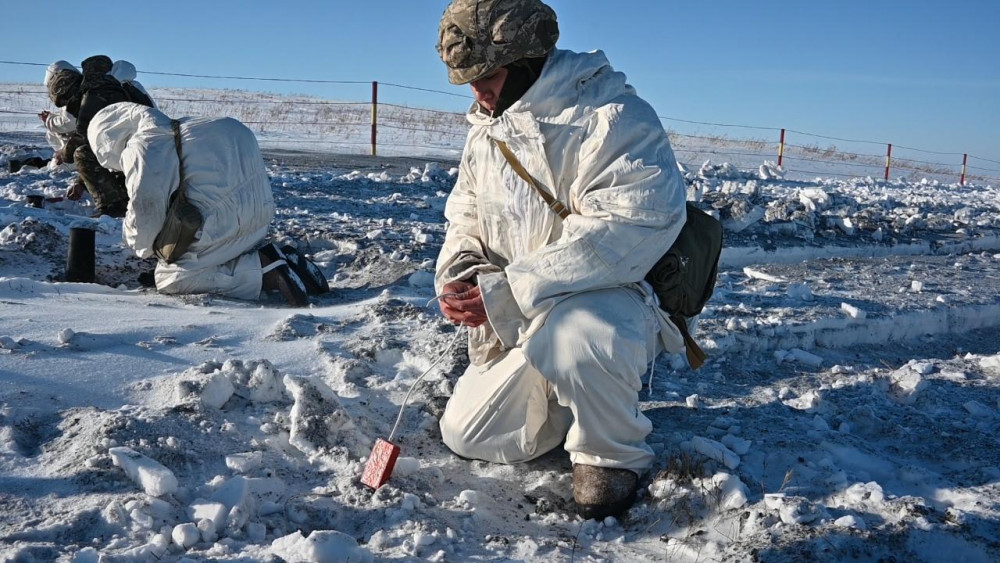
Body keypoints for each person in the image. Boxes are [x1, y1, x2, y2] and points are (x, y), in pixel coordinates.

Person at [433, 0, 689, 520]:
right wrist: (464, 275)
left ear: (527, 61)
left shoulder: (611, 117)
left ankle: (610, 458)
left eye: (490, 76)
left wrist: (508, 290)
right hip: (518, 316)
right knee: (468, 433)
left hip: (606, 306)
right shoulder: (488, 128)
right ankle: (572, 399)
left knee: (576, 335)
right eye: (468, 80)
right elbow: (464, 217)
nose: (477, 92)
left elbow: (631, 224)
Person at [86, 102, 329, 305]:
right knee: (222, 254)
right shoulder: (193, 125)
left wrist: (137, 243)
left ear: (107, 139)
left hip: (221, 226)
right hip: (258, 222)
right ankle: (277, 256)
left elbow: (146, 211)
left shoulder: (144, 145)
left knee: (172, 279)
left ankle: (267, 272)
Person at [39, 60, 79, 163]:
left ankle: (65, 160)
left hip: (82, 145)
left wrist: (49, 120)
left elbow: (68, 123)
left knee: (57, 167)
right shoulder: (78, 87)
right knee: (51, 133)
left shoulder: (71, 91)